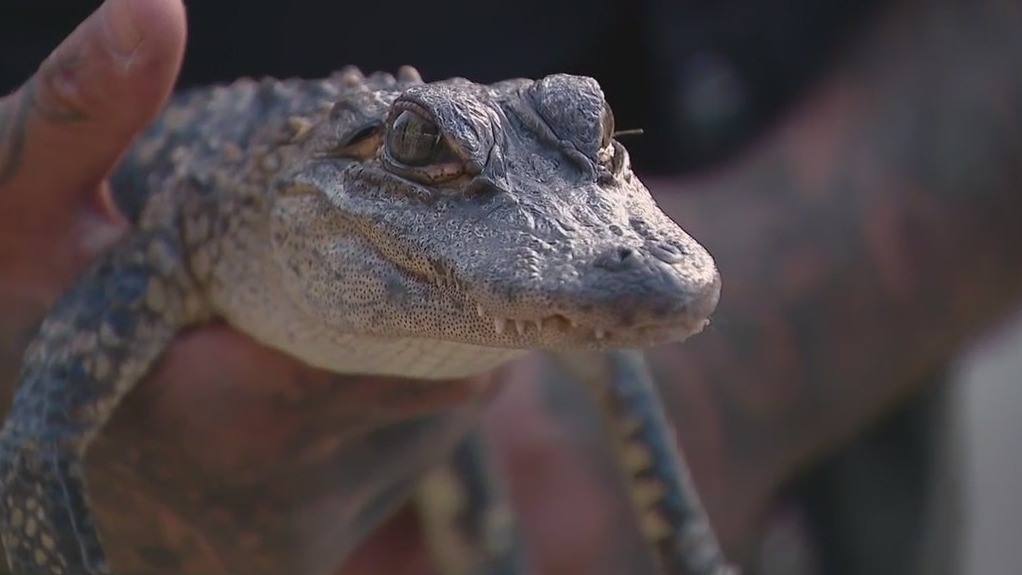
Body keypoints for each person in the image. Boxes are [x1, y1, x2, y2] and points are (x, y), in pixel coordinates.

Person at [2, 0, 1021, 573]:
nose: (570, 243)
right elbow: (37, 444)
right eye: (426, 156)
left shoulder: (557, 269)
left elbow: (597, 315)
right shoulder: (194, 221)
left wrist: (697, 481)